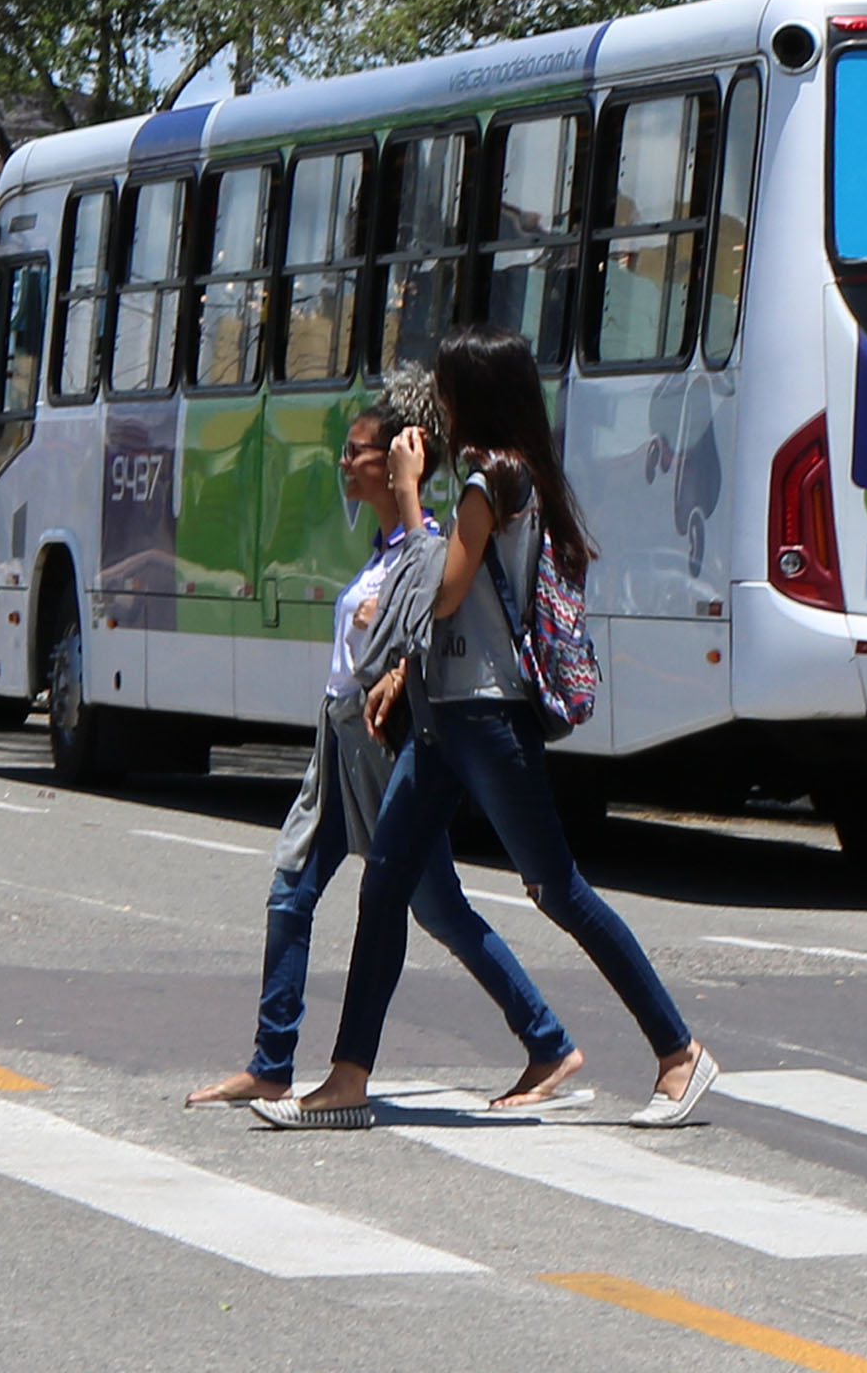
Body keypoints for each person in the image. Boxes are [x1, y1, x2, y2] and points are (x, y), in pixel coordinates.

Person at [258, 324, 717, 1131]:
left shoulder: (493, 481)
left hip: (487, 719)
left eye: (446, 388)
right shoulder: (495, 476)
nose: (435, 405)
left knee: (557, 889)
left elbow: (441, 592)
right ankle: (347, 1080)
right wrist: (403, 672)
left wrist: (409, 497)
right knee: (384, 885)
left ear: (474, 396)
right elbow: (450, 609)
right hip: (443, 719)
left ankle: (679, 1053)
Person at [187, 372, 575, 1109]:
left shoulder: (426, 541)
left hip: (387, 752)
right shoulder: (382, 548)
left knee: (437, 908)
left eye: (359, 451)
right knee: (291, 890)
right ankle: (272, 1061)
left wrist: (396, 655)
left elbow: (432, 614)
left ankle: (547, 1041)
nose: (346, 462)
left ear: (401, 456)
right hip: (338, 744)